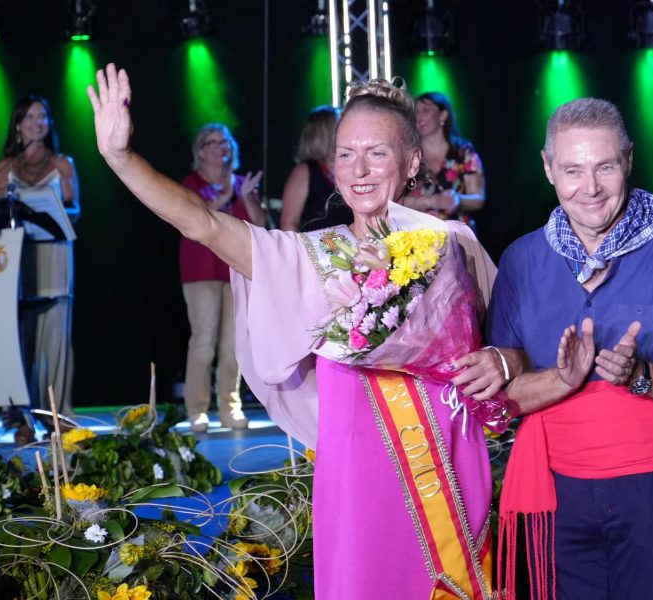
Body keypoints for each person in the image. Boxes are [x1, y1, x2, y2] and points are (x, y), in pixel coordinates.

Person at [88, 64, 507, 599]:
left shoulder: (453, 245)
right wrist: (121, 158)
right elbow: (204, 223)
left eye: (377, 153)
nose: (359, 169)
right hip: (357, 486)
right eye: (346, 154)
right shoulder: (310, 258)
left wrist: (507, 362)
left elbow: (511, 341)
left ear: (411, 163)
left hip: (450, 473)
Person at [487, 97, 653, 599]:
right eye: (573, 170)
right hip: (552, 490)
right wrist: (561, 380)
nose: (590, 187)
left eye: (604, 167)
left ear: (628, 159)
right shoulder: (521, 260)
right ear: (548, 168)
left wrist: (641, 376)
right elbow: (499, 397)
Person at [0, 95, 80, 415]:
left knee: (54, 333)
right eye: (30, 117)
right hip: (17, 256)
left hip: (54, 252)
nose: (37, 122)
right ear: (17, 125)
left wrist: (50, 210)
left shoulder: (62, 163)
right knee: (20, 332)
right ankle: (21, 415)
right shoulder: (6, 167)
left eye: (42, 116)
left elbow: (76, 209)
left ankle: (57, 412)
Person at [179, 124, 266, 432]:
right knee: (203, 342)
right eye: (213, 142)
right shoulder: (192, 183)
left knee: (234, 344)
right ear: (201, 151)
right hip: (201, 270)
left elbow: (260, 223)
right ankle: (197, 410)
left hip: (236, 268)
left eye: (225, 141)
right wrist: (228, 195)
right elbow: (194, 216)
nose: (221, 147)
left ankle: (230, 407)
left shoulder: (242, 183)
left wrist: (247, 197)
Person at [402, 92, 485, 229]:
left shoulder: (463, 151)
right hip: (418, 235)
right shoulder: (408, 155)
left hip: (459, 234)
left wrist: (458, 200)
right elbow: (395, 202)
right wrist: (433, 201)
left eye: (426, 110)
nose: (418, 116)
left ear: (443, 115)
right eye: (415, 112)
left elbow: (478, 199)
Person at [278, 105, 352, 232]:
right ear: (328, 133)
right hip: (316, 242)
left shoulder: (349, 167)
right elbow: (288, 222)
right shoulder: (305, 171)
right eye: (340, 125)